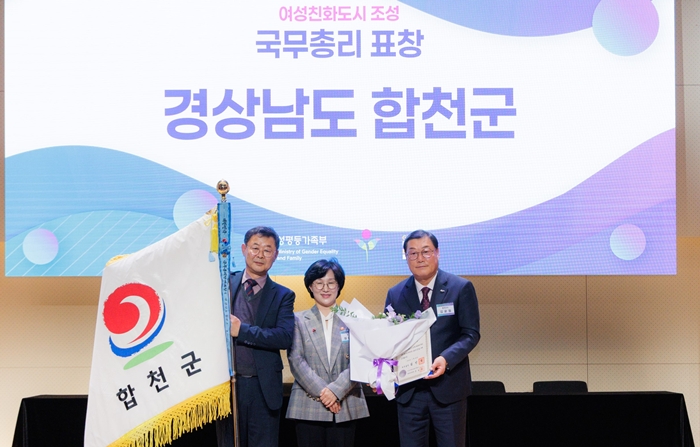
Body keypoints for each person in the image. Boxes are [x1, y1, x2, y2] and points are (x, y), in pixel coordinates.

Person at [384, 230, 480, 447]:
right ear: (406, 257)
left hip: (448, 388)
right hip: (409, 391)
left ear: (437, 252)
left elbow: (471, 334)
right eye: (413, 253)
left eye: (426, 251)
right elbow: (389, 339)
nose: (420, 258)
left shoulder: (460, 287)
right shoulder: (395, 293)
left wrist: (446, 359)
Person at [216, 226, 296, 447]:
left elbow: (283, 337)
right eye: (255, 248)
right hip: (228, 385)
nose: (260, 255)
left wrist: (241, 331)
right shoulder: (223, 285)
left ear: (276, 255)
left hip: (263, 389)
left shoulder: (283, 295)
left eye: (267, 250)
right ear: (244, 249)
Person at [286, 259, 369, 447]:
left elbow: (361, 359)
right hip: (308, 405)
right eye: (319, 283)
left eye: (331, 283)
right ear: (310, 286)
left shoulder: (353, 318)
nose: (325, 288)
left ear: (339, 286)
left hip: (345, 402)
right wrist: (325, 393)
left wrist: (336, 391)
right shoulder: (297, 320)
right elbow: (296, 360)